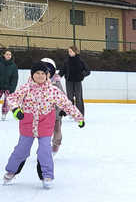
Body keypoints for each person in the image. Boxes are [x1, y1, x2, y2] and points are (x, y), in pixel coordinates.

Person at [3, 61, 84, 189]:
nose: (40, 76)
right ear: (32, 75)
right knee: (21, 150)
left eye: (43, 73)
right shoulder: (26, 88)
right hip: (27, 123)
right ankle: (11, 171)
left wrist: (79, 117)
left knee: (45, 150)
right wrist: (16, 110)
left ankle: (47, 175)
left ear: (47, 75)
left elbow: (66, 104)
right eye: (37, 73)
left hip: (45, 123)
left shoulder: (53, 90)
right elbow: (11, 98)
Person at [39, 58, 65, 157]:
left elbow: (62, 96)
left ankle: (54, 147)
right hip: (42, 112)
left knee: (57, 129)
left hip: (55, 111)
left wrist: (63, 109)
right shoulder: (37, 80)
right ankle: (44, 149)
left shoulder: (56, 82)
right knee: (43, 132)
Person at [58, 46, 90, 115]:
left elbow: (88, 71)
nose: (69, 53)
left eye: (70, 51)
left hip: (77, 82)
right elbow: (62, 70)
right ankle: (71, 112)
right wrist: (58, 76)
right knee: (69, 98)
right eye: (68, 51)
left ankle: (80, 114)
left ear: (75, 52)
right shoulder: (67, 61)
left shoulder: (80, 61)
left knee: (78, 98)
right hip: (69, 81)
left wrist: (82, 75)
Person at [0, 48, 19, 121]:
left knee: (7, 101)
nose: (8, 56)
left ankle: (4, 114)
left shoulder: (13, 66)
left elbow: (15, 78)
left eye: (10, 54)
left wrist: (12, 88)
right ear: (4, 55)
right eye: (7, 54)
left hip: (8, 87)